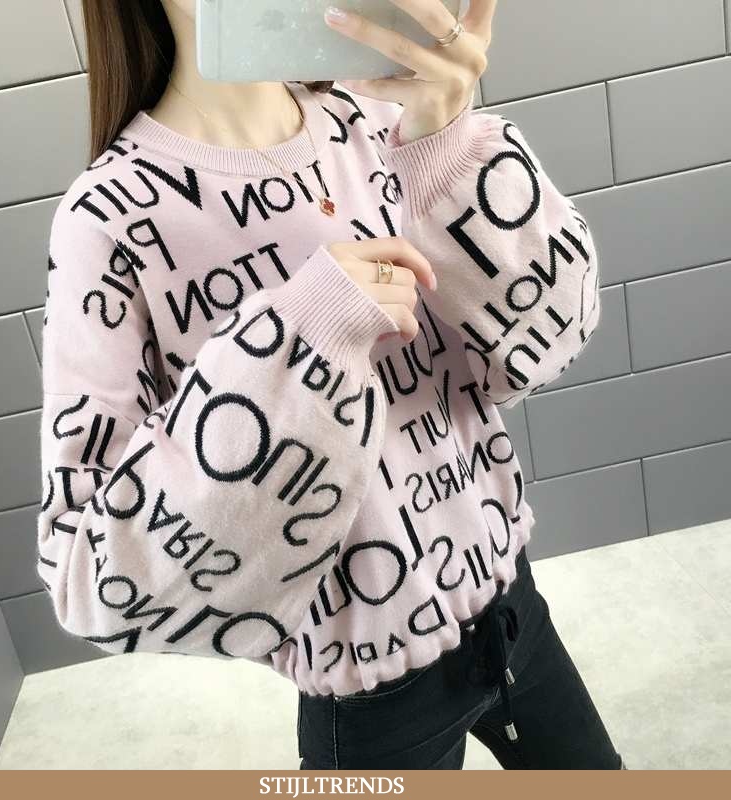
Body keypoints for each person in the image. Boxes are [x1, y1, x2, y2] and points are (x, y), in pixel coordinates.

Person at [37, 0, 625, 770]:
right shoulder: (108, 219)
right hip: (373, 701)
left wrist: (448, 153)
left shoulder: (380, 119)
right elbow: (92, 579)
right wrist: (301, 339)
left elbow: (545, 344)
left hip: (514, 611)